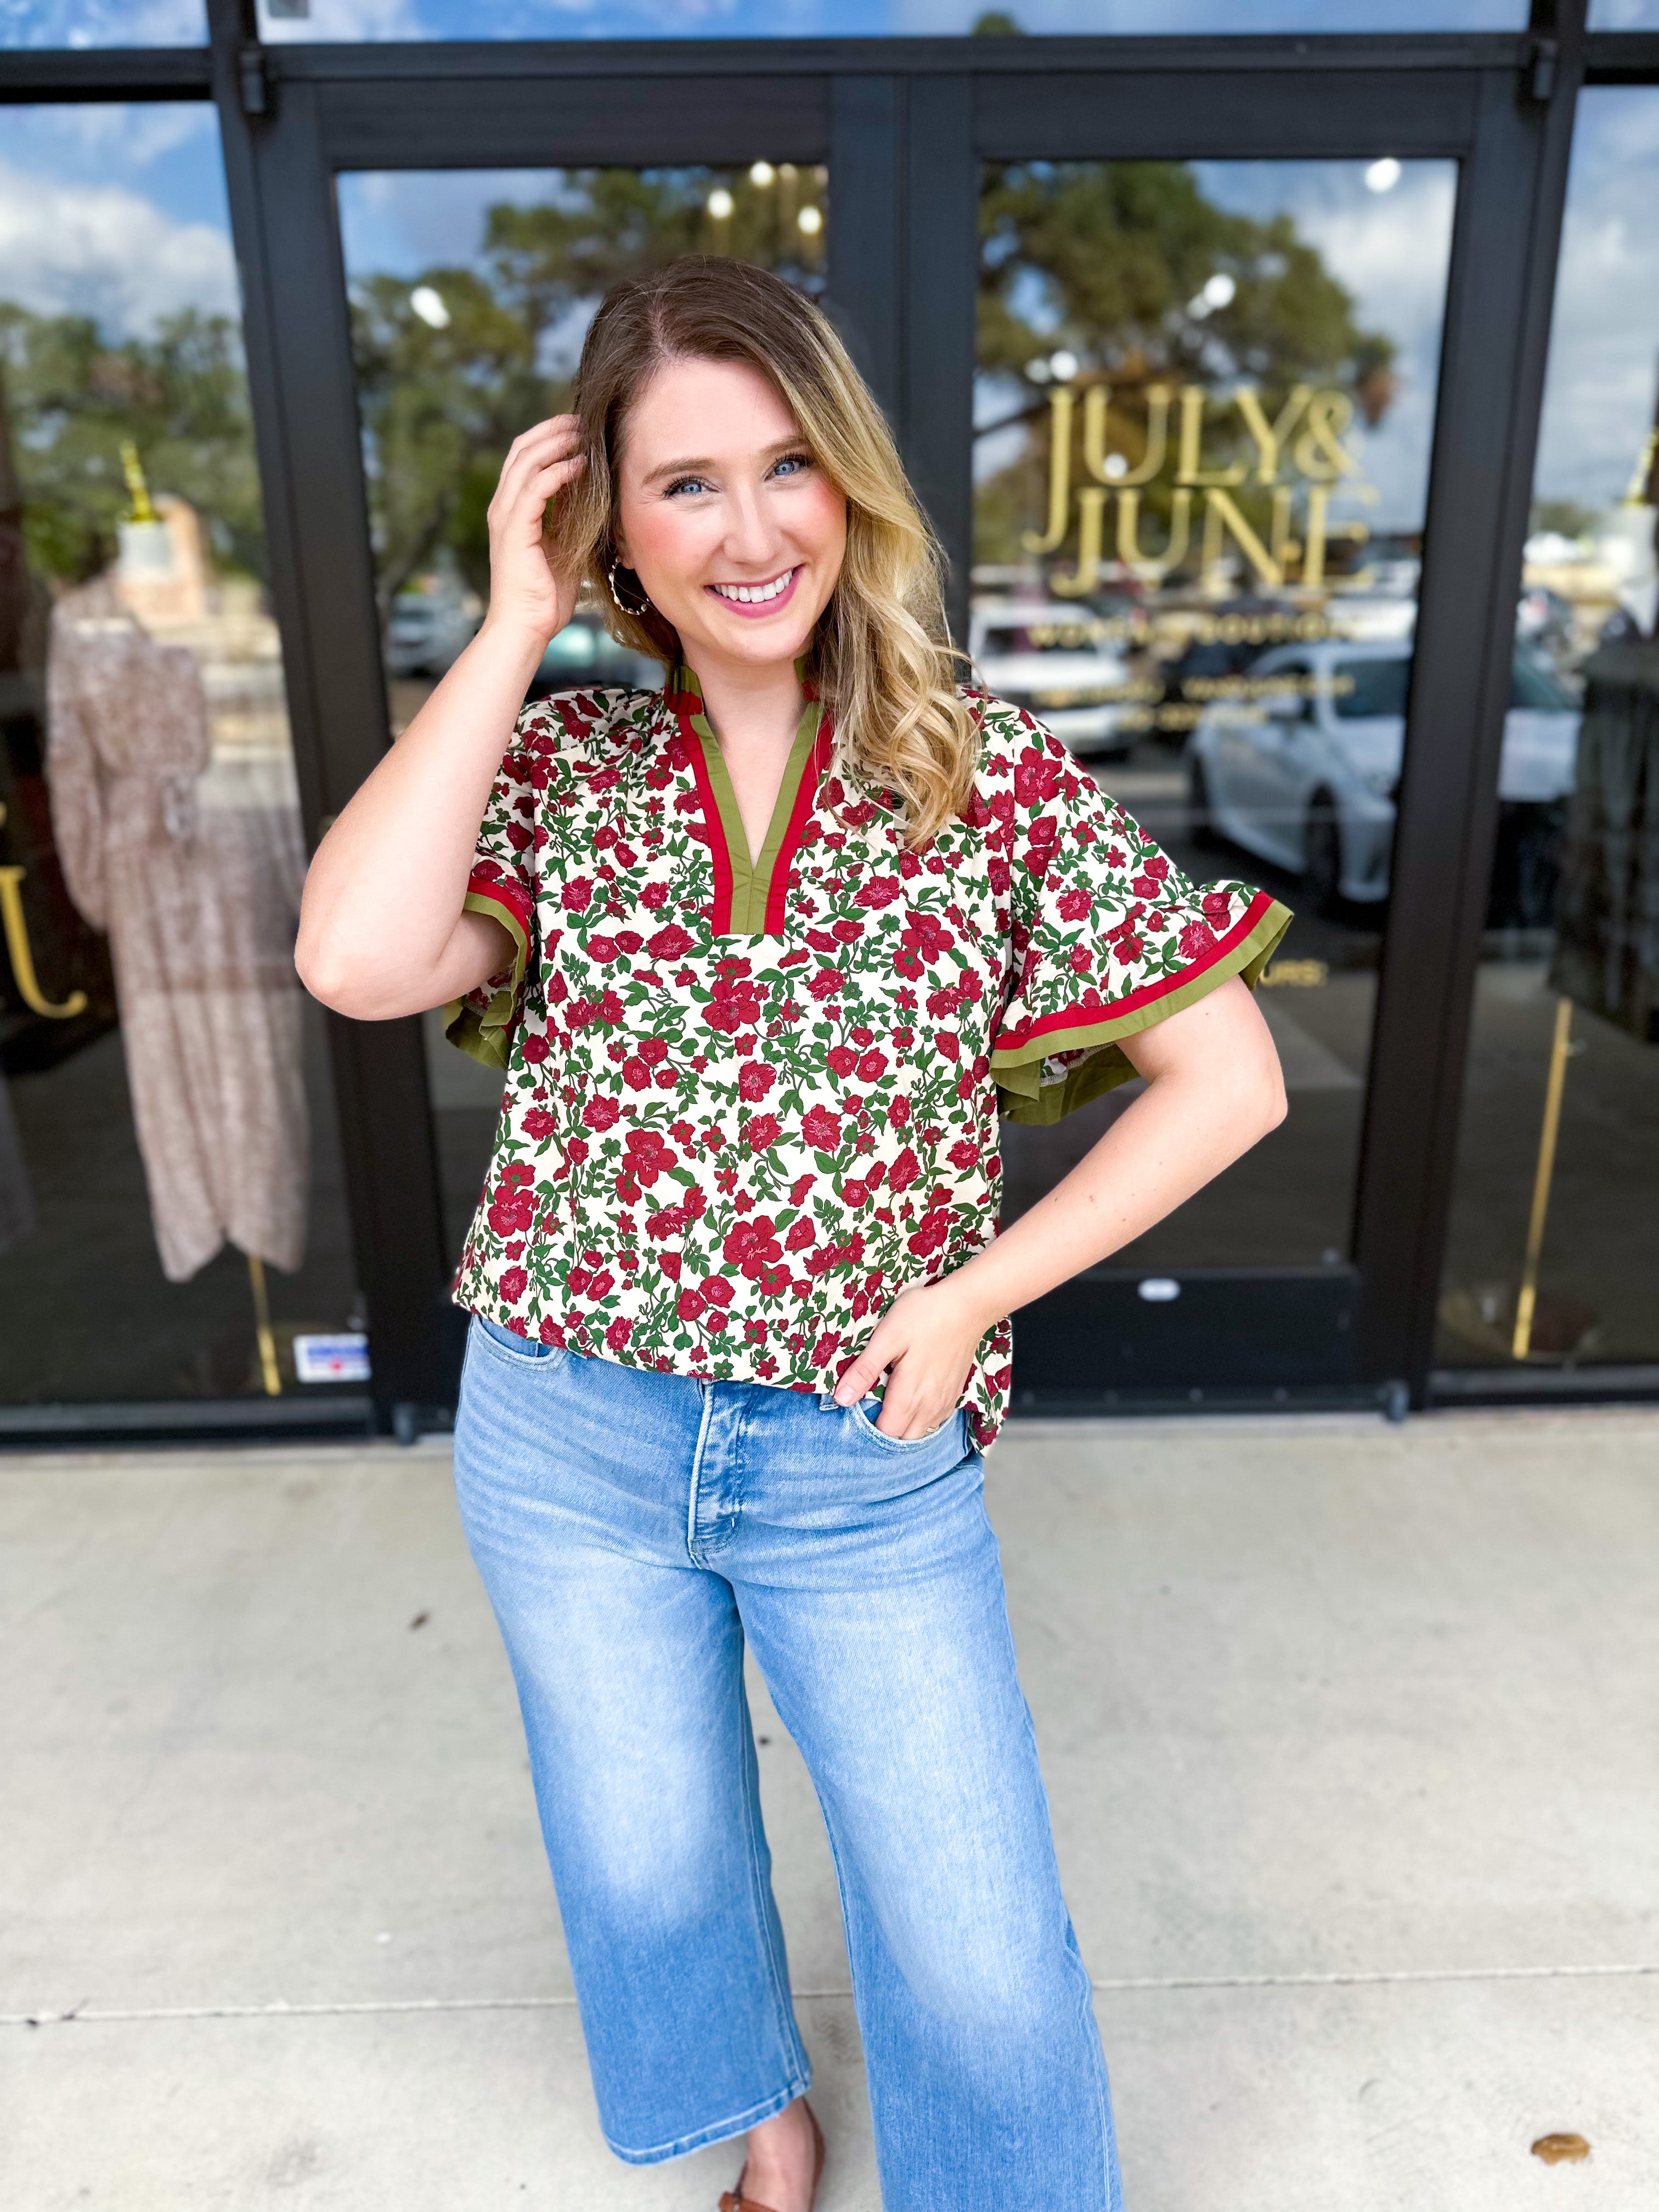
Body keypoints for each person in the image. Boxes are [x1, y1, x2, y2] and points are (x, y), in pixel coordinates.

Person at [297, 256, 1290, 2212]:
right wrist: (510, 626)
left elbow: (1232, 1079)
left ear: (849, 482)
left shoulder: (976, 776)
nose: (749, 533)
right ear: (611, 528)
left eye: (786, 469)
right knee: (649, 1859)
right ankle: (760, 2127)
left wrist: (978, 1293)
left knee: (979, 1949)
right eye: (682, 486)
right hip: (564, 1435)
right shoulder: (569, 771)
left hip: (859, 1455)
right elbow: (354, 954)